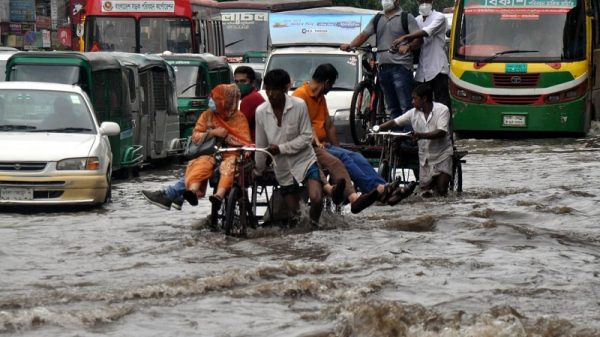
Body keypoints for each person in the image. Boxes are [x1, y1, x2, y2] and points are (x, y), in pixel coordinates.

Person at [293, 63, 415, 209]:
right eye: (331, 85)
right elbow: (306, 126)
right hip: (310, 146)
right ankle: (377, 190)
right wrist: (329, 149)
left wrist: (337, 149)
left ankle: (383, 186)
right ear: (326, 82)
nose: (331, 88)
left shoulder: (320, 98)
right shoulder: (300, 96)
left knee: (356, 156)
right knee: (344, 157)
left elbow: (329, 126)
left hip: (325, 145)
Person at [142, 67, 264, 210]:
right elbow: (196, 135)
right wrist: (213, 133)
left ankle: (179, 195)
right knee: (200, 162)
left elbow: (243, 139)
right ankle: (186, 193)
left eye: (242, 81)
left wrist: (225, 136)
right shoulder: (208, 115)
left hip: (239, 153)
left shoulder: (243, 110)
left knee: (229, 165)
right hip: (214, 152)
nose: (213, 101)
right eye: (236, 81)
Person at [254, 69, 343, 228]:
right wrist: (259, 169)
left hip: (305, 160)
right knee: (295, 214)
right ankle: (301, 232)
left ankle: (314, 227)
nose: (270, 94)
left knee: (316, 198)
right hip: (282, 166)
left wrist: (280, 148)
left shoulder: (299, 105)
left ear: (284, 89)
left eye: (274, 89)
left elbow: (306, 137)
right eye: (268, 89)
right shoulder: (261, 112)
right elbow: (260, 144)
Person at [340, 0, 422, 123]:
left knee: (405, 106)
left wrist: (408, 46)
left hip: (402, 67)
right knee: (392, 108)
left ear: (397, 1)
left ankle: (408, 139)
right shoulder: (378, 18)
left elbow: (419, 39)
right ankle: (396, 138)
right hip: (383, 68)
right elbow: (364, 34)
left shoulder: (406, 17)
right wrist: (350, 45)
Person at [374, 84, 453, 197]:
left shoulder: (442, 110)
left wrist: (421, 135)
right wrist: (378, 128)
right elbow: (395, 122)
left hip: (442, 155)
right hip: (425, 158)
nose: (412, 101)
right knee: (425, 194)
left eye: (415, 98)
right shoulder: (413, 113)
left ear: (424, 99)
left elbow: (441, 132)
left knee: (441, 190)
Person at [391, 0, 450, 109]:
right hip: (422, 71)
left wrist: (405, 37)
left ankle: (443, 126)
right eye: (421, 1)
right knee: (419, 105)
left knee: (442, 106)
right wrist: (404, 46)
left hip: (438, 69)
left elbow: (426, 32)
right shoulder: (416, 20)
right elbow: (415, 42)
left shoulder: (440, 17)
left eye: (426, 0)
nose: (423, 3)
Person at [235, 66, 265, 142]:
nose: (239, 85)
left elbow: (239, 126)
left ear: (253, 83)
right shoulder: (254, 95)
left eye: (243, 81)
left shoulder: (250, 99)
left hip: (255, 144)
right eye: (237, 82)